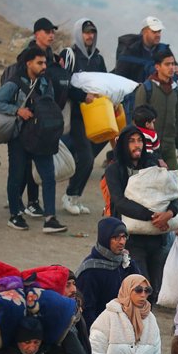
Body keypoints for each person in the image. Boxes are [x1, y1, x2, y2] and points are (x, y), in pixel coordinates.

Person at [0, 46, 67, 234]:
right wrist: (17, 110)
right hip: (19, 136)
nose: (43, 66)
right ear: (28, 63)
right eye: (39, 63)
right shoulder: (14, 83)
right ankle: (15, 214)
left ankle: (50, 218)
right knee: (16, 175)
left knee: (48, 177)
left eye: (44, 63)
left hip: (41, 136)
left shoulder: (46, 82)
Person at [104, 126, 176, 296]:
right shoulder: (114, 170)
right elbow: (120, 202)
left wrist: (169, 213)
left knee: (153, 290)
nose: (137, 145)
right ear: (122, 144)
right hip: (132, 239)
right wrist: (152, 216)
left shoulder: (153, 165)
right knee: (141, 287)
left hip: (158, 237)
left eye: (139, 140)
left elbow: (172, 194)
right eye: (131, 141)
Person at [60, 18, 108, 215]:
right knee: (87, 158)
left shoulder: (98, 58)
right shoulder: (69, 55)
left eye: (92, 32)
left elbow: (104, 82)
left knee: (87, 156)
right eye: (86, 32)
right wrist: (82, 96)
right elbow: (63, 84)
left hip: (94, 116)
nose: (89, 36)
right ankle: (70, 195)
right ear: (79, 33)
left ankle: (75, 198)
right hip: (76, 116)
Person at [77, 218, 143, 326]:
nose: (122, 242)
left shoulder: (126, 263)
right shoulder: (90, 271)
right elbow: (87, 310)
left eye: (124, 237)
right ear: (105, 239)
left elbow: (141, 292)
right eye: (116, 237)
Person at [132, 46, 178, 171]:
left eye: (173, 64)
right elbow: (137, 122)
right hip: (148, 149)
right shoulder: (146, 89)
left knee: (173, 185)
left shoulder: (175, 91)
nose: (171, 67)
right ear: (157, 67)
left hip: (169, 148)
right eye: (167, 64)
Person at [113, 16, 165, 83]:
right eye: (154, 32)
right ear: (144, 32)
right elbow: (120, 76)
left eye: (159, 31)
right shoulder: (130, 49)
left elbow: (175, 71)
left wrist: (177, 71)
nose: (158, 35)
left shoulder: (164, 50)